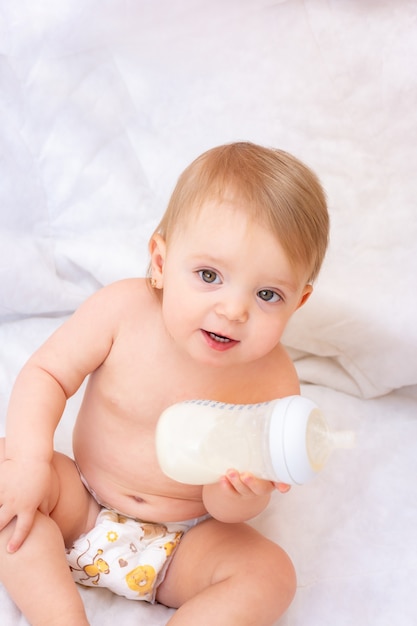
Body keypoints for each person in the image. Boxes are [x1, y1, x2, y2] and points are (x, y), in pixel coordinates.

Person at [0, 142, 329, 626]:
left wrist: (239, 495)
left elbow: (237, 502)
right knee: (6, 472)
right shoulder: (120, 311)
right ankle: (59, 618)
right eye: (209, 275)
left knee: (271, 574)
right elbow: (46, 375)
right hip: (84, 504)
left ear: (297, 303)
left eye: (266, 294)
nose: (234, 310)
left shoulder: (273, 380)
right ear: (160, 260)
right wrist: (28, 463)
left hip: (187, 542)